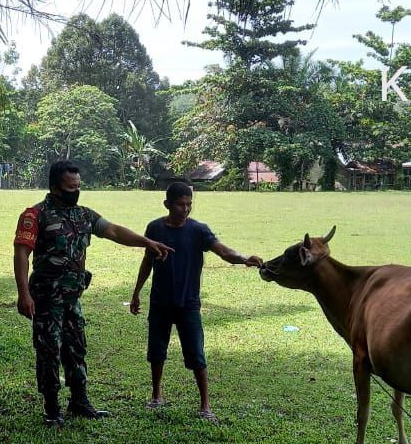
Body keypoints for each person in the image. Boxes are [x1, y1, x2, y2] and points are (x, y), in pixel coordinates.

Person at [14, 160, 173, 426]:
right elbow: (22, 254)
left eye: (78, 186)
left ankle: (79, 401)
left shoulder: (83, 215)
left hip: (73, 298)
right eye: (70, 186)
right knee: (49, 350)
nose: (75, 190)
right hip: (46, 299)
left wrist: (145, 242)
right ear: (54, 187)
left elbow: (113, 231)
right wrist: (23, 293)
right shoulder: (35, 215)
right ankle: (51, 408)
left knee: (77, 349)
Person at [129, 181, 263, 421]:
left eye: (189, 204)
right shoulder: (155, 228)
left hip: (188, 303)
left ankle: (205, 405)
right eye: (181, 204)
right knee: (156, 351)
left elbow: (223, 251)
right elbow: (147, 261)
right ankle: (156, 395)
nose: (186, 209)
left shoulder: (199, 230)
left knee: (196, 354)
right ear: (167, 204)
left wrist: (244, 258)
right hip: (160, 301)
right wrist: (136, 292)